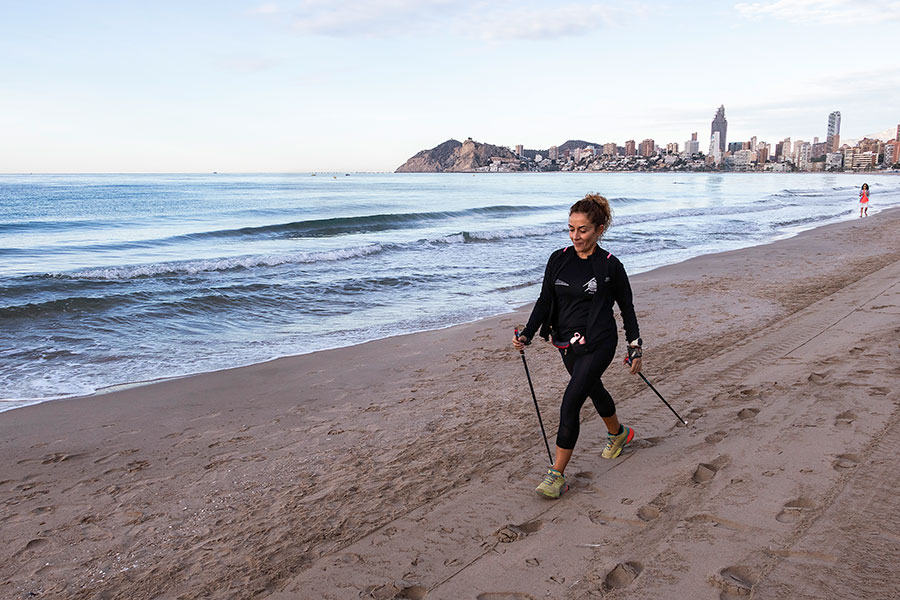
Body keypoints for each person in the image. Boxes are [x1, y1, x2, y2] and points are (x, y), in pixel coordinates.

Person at [512, 193, 643, 499]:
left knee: (571, 400)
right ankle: (618, 433)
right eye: (571, 229)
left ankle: (556, 475)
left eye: (582, 230)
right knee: (592, 389)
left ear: (598, 229)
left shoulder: (610, 266)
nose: (575, 236)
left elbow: (627, 309)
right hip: (566, 345)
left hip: (600, 342)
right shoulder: (558, 259)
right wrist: (528, 333)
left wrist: (634, 346)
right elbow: (545, 300)